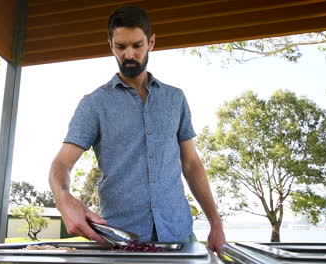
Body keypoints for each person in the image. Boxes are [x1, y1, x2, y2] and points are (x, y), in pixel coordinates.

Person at [49, 6, 226, 254]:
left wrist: (215, 222)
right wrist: (63, 196)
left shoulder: (175, 99)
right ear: (110, 45)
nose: (129, 54)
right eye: (120, 47)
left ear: (151, 42)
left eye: (137, 45)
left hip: (179, 235)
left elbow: (192, 165)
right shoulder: (93, 104)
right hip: (122, 241)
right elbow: (61, 164)